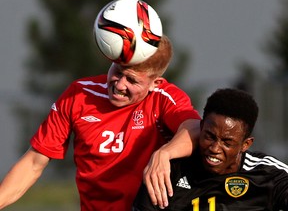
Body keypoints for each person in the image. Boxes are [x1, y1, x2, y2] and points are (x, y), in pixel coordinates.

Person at [0, 33, 201, 211]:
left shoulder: (163, 97)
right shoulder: (78, 94)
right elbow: (34, 162)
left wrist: (165, 153)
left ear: (154, 83)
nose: (119, 85)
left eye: (132, 80)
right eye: (118, 71)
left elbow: (194, 128)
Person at [134, 88, 288, 210]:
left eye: (227, 142)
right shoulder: (169, 170)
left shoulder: (269, 175)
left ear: (245, 144)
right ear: (201, 127)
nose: (214, 148)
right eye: (209, 136)